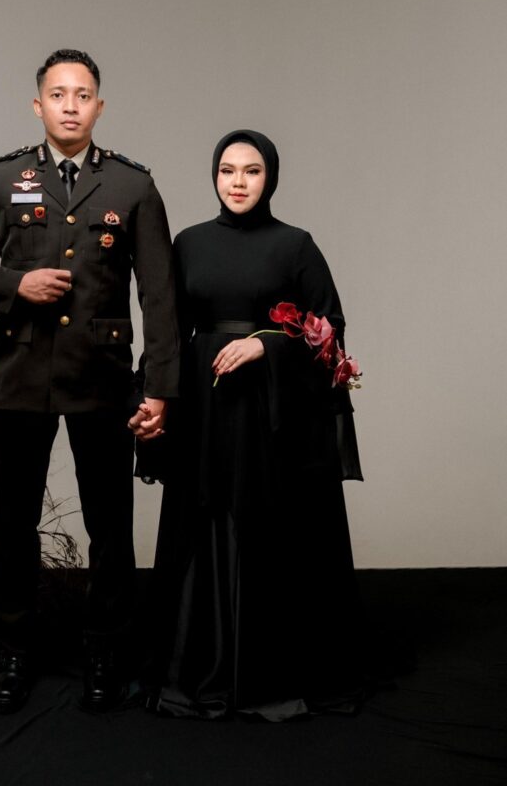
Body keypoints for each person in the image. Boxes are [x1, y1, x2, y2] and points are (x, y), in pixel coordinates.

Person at [0, 48, 179, 714]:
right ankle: (13, 651)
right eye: (59, 95)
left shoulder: (132, 186)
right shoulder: (2, 179)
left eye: (83, 95)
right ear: (38, 105)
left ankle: (105, 652)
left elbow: (159, 297)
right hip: (22, 374)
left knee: (110, 525)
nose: (71, 106)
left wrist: (159, 388)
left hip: (102, 378)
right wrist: (15, 285)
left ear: (100, 106)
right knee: (12, 525)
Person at [148, 129, 364, 721]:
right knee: (205, 519)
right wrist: (153, 395)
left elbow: (330, 328)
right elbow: (170, 330)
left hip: (270, 416)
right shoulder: (189, 243)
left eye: (251, 171)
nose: (238, 182)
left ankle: (269, 669)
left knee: (267, 523)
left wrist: (265, 345)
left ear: (270, 177)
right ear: (214, 176)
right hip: (205, 405)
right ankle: (199, 666)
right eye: (227, 170)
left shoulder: (296, 245)